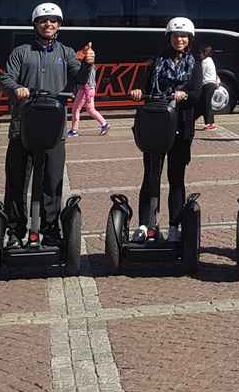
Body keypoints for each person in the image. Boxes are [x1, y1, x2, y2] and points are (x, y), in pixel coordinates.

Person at [0, 3, 96, 242]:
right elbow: (6, 78)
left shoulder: (67, 53)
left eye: (53, 20)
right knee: (16, 180)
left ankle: (50, 228)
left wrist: (88, 64)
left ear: (59, 25)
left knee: (52, 181)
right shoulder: (21, 52)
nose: (48, 24)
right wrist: (17, 88)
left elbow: (80, 79)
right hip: (22, 126)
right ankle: (15, 230)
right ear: (36, 24)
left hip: (53, 127)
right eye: (44, 20)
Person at [128, 17, 205, 243]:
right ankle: (145, 224)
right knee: (151, 175)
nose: (179, 39)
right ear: (169, 37)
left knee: (176, 177)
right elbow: (143, 86)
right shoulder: (156, 61)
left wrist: (185, 95)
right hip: (156, 123)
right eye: (175, 35)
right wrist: (138, 92)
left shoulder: (195, 64)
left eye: (183, 36)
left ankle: (174, 226)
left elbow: (197, 92)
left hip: (181, 124)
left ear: (189, 39)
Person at [66, 21, 109, 138]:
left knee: (76, 109)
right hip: (86, 89)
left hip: (87, 89)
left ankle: (74, 131)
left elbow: (86, 81)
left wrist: (88, 95)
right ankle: (104, 124)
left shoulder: (88, 65)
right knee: (89, 109)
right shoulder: (84, 63)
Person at [197, 45, 221, 131]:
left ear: (205, 53)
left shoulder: (204, 62)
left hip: (207, 85)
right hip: (212, 84)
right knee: (205, 103)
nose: (199, 55)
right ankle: (209, 122)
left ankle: (210, 123)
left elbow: (200, 74)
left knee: (207, 104)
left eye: (201, 53)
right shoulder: (210, 60)